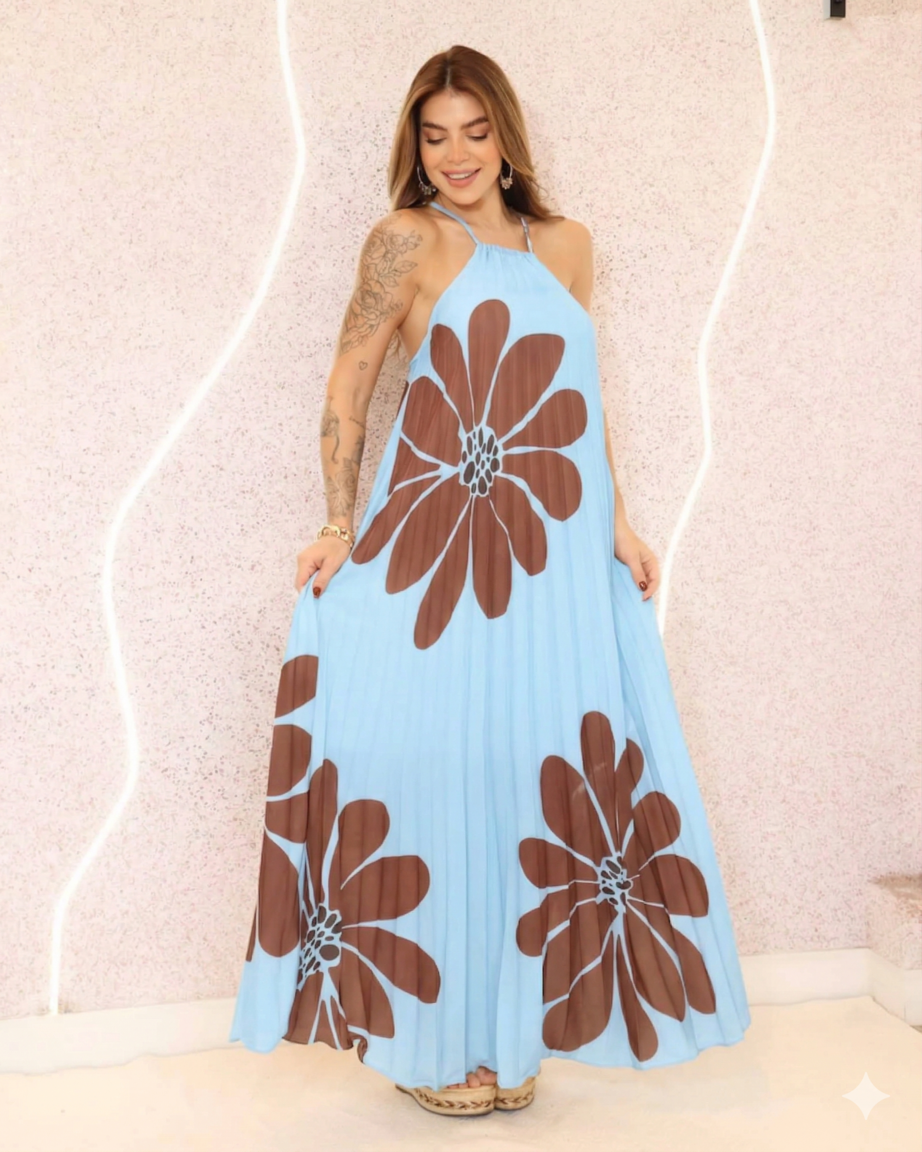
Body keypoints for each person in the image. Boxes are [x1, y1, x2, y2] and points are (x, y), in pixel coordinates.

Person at [228, 44, 751, 1118]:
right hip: (442, 548)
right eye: (435, 136)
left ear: (507, 136)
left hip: (552, 551)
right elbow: (350, 383)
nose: (456, 154)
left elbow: (578, 395)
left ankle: (509, 1034)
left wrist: (616, 522)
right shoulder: (406, 241)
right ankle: (430, 1040)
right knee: (435, 775)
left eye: (474, 131)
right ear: (414, 147)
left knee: (533, 779)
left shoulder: (568, 245)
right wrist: (337, 520)